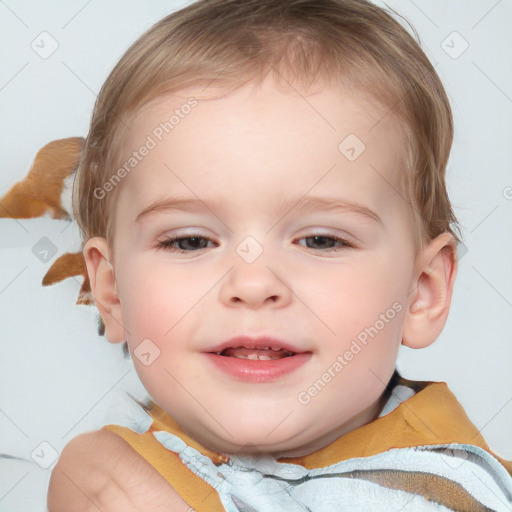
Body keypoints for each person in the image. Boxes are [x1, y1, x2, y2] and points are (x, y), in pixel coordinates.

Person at [47, 0, 512, 510]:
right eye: (190, 241)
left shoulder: (446, 491)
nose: (252, 283)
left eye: (321, 240)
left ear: (421, 292)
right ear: (111, 292)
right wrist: (95, 469)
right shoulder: (138, 452)